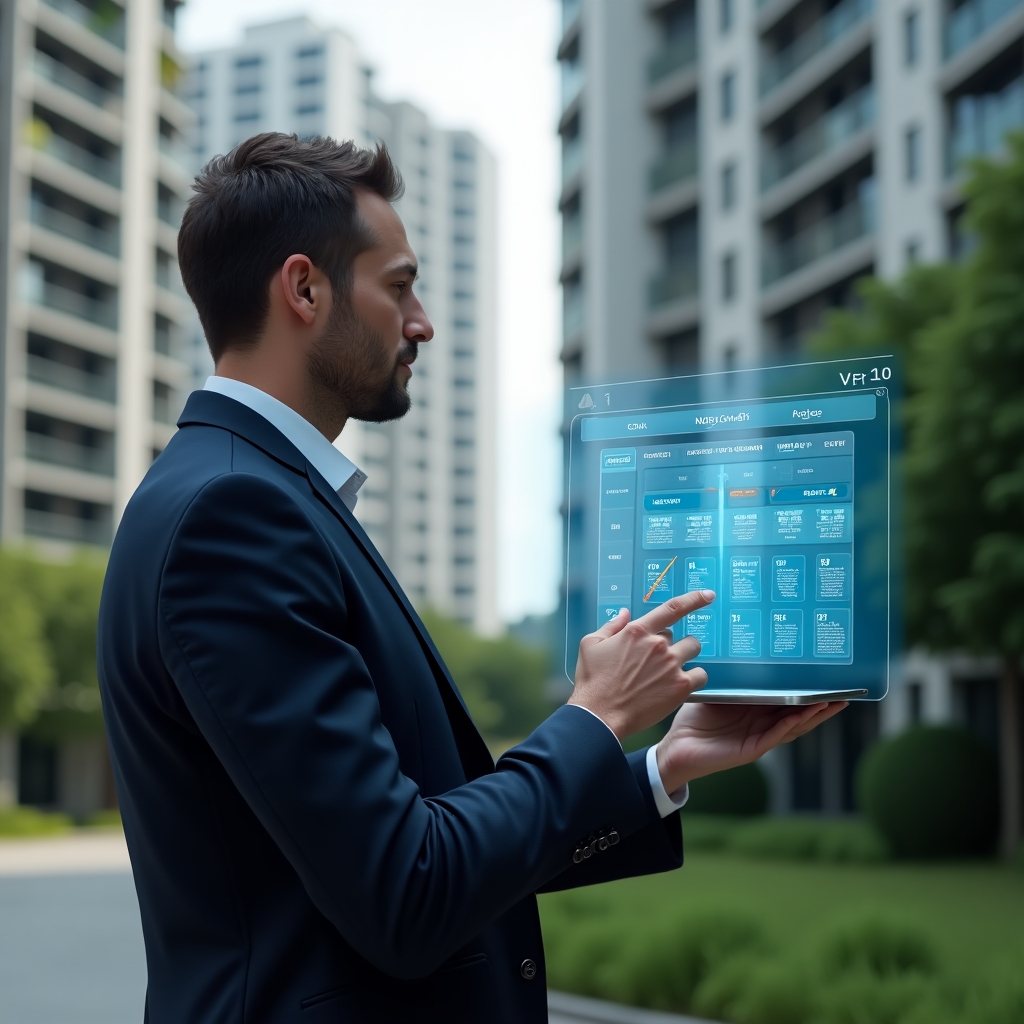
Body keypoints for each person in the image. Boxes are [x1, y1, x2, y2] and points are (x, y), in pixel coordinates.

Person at [97, 133, 844, 1024]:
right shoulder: (233, 516)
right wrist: (593, 718)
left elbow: (424, 830)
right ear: (304, 289)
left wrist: (656, 767)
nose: (423, 322)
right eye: (401, 285)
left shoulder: (259, 496)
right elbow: (406, 891)